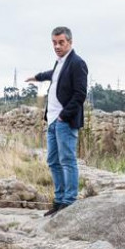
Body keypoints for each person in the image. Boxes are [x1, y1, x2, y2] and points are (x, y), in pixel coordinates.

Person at [26, 26, 88, 217]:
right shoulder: (60, 62)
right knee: (53, 161)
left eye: (61, 42)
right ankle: (59, 200)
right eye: (54, 42)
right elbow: (53, 75)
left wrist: (63, 116)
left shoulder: (77, 63)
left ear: (70, 42)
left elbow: (80, 95)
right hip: (52, 121)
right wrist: (37, 77)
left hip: (64, 121)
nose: (57, 46)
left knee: (67, 160)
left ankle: (69, 202)